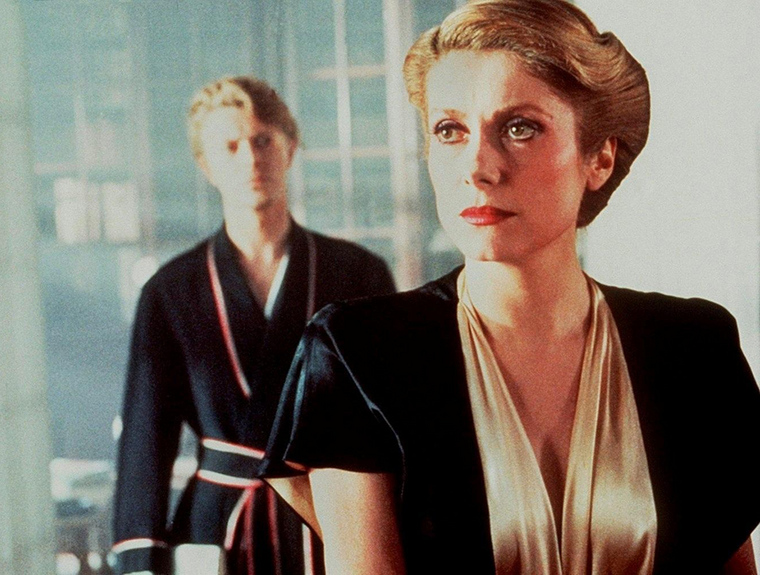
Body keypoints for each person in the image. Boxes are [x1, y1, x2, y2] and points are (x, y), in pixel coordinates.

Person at [259, 1, 760, 573]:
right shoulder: (359, 353)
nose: (477, 167)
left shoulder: (692, 347)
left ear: (599, 158)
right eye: (450, 131)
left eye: (520, 128)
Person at [112, 76, 396, 575]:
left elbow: (393, 421)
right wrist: (141, 557)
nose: (250, 159)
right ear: (206, 165)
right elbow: (145, 440)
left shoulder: (358, 274)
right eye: (230, 146)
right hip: (215, 529)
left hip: (331, 519)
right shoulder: (170, 291)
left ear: (290, 148)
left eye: (263, 140)